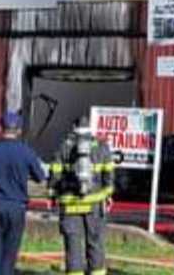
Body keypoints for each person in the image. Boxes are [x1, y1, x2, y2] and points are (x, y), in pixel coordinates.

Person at [0, 110, 46, 275]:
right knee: (9, 256)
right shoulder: (26, 152)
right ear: (18, 130)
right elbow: (40, 177)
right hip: (16, 207)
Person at [48, 115, 114, 275]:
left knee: (73, 246)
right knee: (96, 244)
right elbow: (109, 179)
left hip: (70, 206)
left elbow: (54, 178)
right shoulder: (102, 147)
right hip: (95, 207)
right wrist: (107, 195)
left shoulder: (63, 147)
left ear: (73, 128)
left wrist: (52, 196)